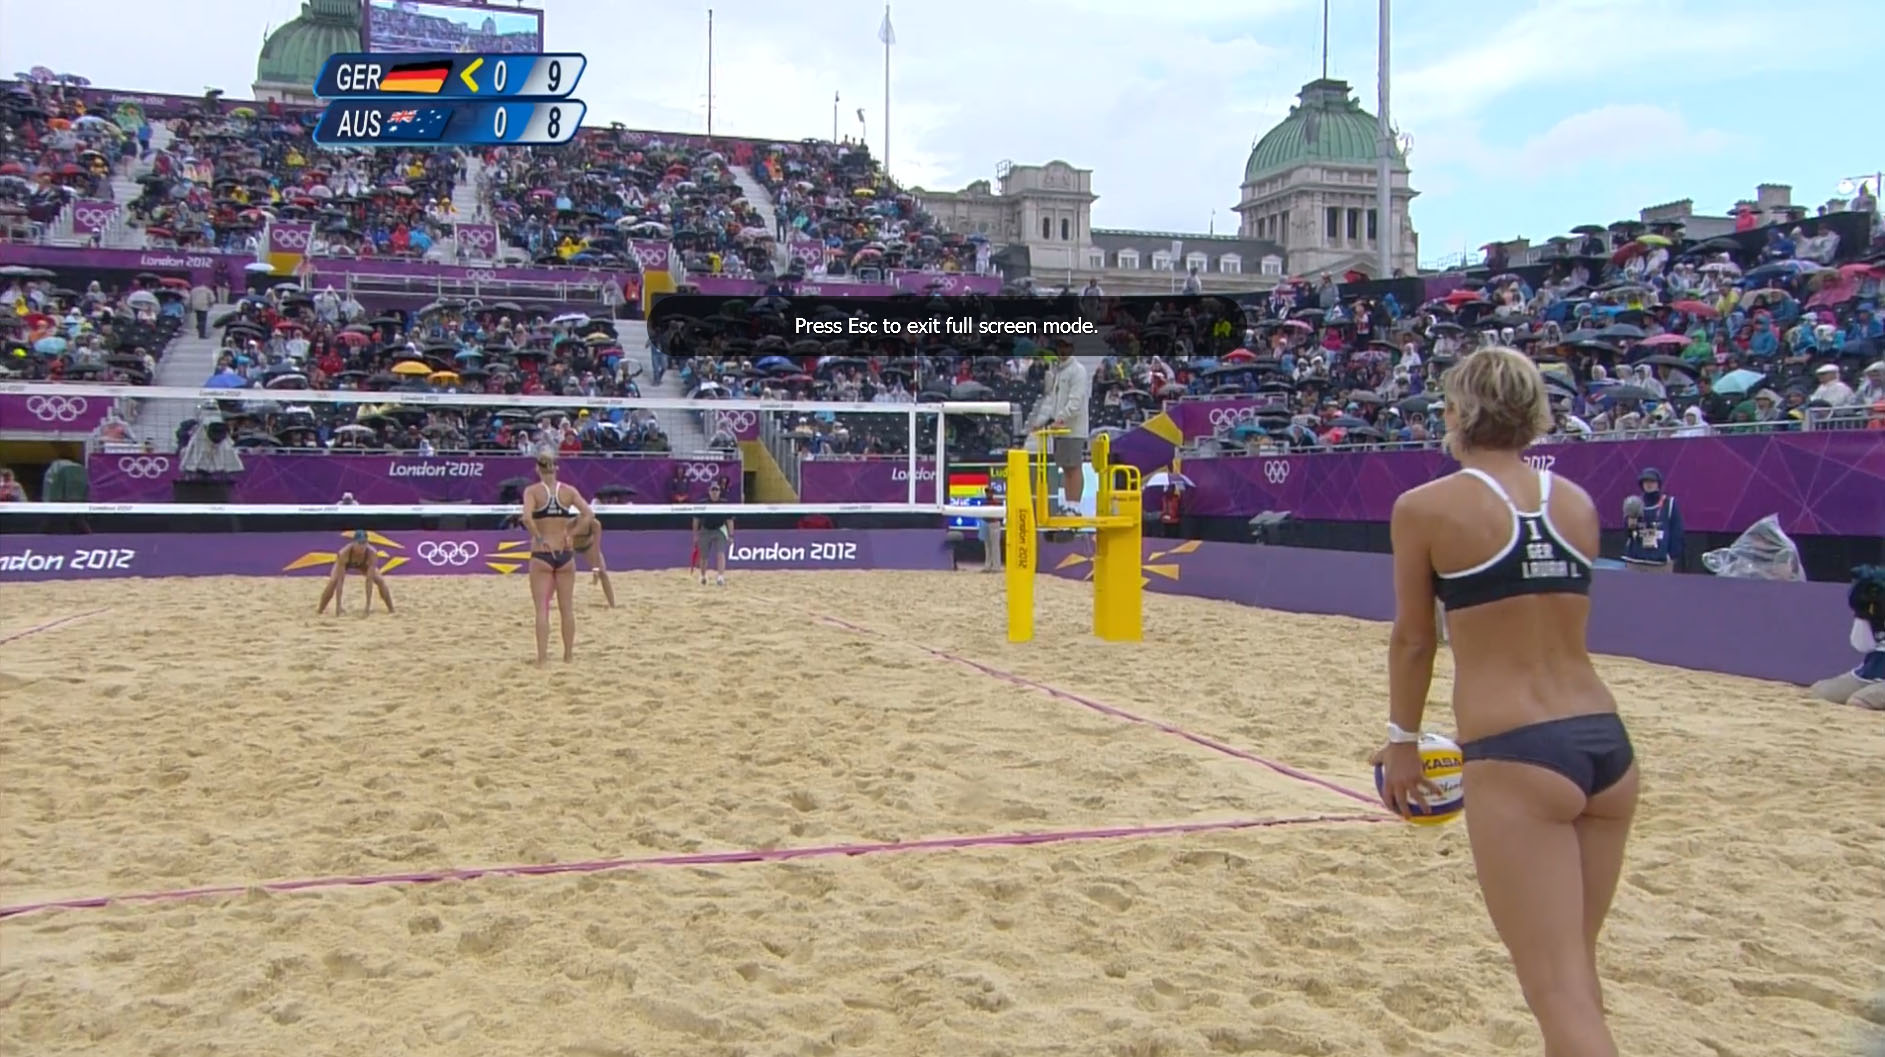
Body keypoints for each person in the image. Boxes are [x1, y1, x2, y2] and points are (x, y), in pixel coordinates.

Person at [1374, 347, 1635, 1057]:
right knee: (1573, 975)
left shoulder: (1425, 507)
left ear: (1458, 412)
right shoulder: (1575, 503)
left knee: (1555, 990)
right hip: (1604, 744)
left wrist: (1401, 740)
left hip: (1516, 748)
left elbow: (1413, 639)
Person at [520, 451, 594, 663]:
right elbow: (589, 514)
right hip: (564, 552)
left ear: (537, 469)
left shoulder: (532, 491)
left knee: (542, 609)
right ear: (556, 468)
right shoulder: (568, 491)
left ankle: (542, 658)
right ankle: (568, 656)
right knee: (566, 608)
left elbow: (526, 518)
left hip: (542, 552)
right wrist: (571, 534)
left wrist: (538, 536)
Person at [317, 529, 395, 616]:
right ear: (354, 543)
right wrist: (338, 607)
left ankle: (391, 609)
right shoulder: (344, 553)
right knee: (333, 581)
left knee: (380, 580)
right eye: (360, 543)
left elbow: (369, 581)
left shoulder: (372, 553)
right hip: (346, 563)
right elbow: (340, 581)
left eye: (364, 543)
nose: (362, 546)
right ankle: (320, 610)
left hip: (363, 564)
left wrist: (367, 608)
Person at [1620, 467, 1683, 573]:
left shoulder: (1669, 503)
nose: (1649, 484)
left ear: (1658, 484)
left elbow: (1677, 532)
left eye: (1652, 481)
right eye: (1646, 481)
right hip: (1636, 562)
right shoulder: (1634, 503)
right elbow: (1628, 534)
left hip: (1660, 564)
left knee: (1661, 590)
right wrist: (1630, 525)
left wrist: (1671, 556)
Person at [570, 510, 617, 608]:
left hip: (589, 547)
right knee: (561, 572)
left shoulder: (595, 524)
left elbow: (596, 546)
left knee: (602, 573)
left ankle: (612, 604)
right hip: (572, 547)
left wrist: (595, 569)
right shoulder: (571, 523)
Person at [692, 477, 733, 585]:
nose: (714, 492)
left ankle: (720, 577)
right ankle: (703, 575)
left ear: (720, 491)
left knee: (720, 553)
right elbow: (696, 520)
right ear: (709, 491)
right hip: (705, 530)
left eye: (716, 490)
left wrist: (731, 535)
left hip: (720, 530)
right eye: (712, 490)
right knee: (704, 556)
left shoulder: (725, 504)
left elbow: (729, 521)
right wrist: (695, 535)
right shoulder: (702, 503)